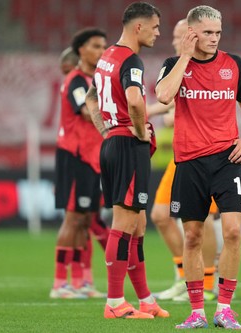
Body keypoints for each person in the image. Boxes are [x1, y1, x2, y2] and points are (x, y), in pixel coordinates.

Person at [156, 5, 241, 329]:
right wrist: (184, 57)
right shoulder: (173, 65)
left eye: (218, 33)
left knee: (233, 231)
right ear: (193, 33)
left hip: (228, 159)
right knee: (193, 236)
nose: (214, 39)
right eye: (208, 33)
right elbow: (163, 96)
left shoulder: (233, 64)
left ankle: (224, 308)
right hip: (189, 162)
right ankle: (197, 311)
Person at [85, 2, 169, 320]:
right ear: (139, 27)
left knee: (138, 223)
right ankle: (115, 302)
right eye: (155, 27)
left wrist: (104, 127)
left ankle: (145, 298)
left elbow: (92, 96)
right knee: (123, 224)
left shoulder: (107, 55)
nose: (158, 33)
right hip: (128, 146)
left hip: (113, 142)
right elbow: (135, 100)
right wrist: (139, 132)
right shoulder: (131, 60)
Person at [148, 19, 219, 303]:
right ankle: (183, 275)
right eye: (175, 38)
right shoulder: (176, 66)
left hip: (205, 155)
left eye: (180, 37)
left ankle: (210, 282)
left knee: (206, 219)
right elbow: (167, 101)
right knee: (160, 216)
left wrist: (158, 113)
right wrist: (144, 111)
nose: (176, 42)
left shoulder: (205, 66)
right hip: (180, 154)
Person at [50, 28, 107, 299]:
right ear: (81, 50)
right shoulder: (76, 80)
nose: (101, 51)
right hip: (75, 155)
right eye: (96, 46)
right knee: (73, 219)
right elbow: (86, 113)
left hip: (93, 157)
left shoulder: (93, 82)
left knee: (86, 219)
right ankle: (60, 283)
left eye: (104, 46)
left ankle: (83, 280)